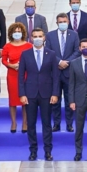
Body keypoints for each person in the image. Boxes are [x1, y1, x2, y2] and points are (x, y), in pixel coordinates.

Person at [18, 28, 60, 161]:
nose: (37, 38)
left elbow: (55, 76)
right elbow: (20, 77)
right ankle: (33, 151)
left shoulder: (51, 54)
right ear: (31, 38)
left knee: (46, 124)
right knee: (31, 124)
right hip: (30, 94)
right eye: (34, 36)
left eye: (40, 36)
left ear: (44, 38)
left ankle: (48, 151)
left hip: (46, 94)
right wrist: (22, 94)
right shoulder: (25, 54)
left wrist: (55, 93)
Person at [45, 13, 80, 132]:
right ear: (57, 23)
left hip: (69, 72)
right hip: (55, 72)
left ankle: (69, 124)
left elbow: (77, 51)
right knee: (55, 99)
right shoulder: (50, 35)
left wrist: (67, 62)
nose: (63, 24)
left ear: (68, 22)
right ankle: (56, 123)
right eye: (60, 22)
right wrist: (59, 62)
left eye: (64, 21)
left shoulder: (74, 35)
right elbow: (48, 51)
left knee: (70, 99)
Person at [1, 22, 32, 133]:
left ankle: (25, 122)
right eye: (15, 32)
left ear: (22, 33)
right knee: (13, 100)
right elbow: (4, 60)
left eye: (19, 31)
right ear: (11, 33)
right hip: (12, 74)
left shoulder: (29, 45)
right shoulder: (7, 46)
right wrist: (11, 65)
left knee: (24, 99)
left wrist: (24, 66)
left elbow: (32, 59)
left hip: (25, 75)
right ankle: (13, 122)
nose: (17, 33)